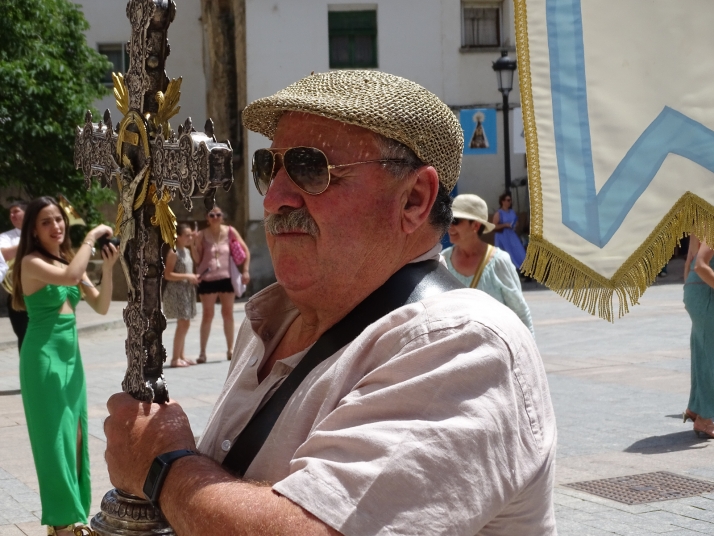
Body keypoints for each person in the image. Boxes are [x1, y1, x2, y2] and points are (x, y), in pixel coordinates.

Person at [104, 70, 556, 535]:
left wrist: (164, 466)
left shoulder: (463, 342)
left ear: (415, 200)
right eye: (270, 168)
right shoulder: (270, 321)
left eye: (310, 168)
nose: (276, 198)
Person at [13, 196, 119, 535]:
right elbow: (73, 276)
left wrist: (108, 269)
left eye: (58, 219)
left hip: (72, 362)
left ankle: (72, 516)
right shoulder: (30, 261)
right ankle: (59, 523)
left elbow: (102, 305)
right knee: (53, 441)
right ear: (33, 229)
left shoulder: (67, 261)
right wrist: (90, 237)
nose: (55, 226)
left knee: (75, 439)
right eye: (46, 221)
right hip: (43, 359)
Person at [442, 194, 535, 336]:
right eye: (448, 220)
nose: (450, 227)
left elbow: (520, 313)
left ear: (476, 225)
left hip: (495, 353)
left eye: (455, 221)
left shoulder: (499, 261)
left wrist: (529, 355)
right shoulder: (442, 260)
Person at [192, 206, 251, 363]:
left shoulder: (230, 231)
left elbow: (246, 251)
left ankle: (230, 349)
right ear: (207, 217)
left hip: (226, 278)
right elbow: (197, 259)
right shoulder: (203, 234)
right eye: (212, 215)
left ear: (222, 216)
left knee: (228, 313)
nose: (215, 217)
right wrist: (193, 244)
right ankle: (203, 352)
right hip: (208, 278)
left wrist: (245, 271)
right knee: (207, 314)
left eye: (218, 214)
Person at [682, 234, 714, 439]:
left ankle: (695, 407)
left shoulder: (701, 223)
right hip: (705, 291)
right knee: (709, 355)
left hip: (699, 290)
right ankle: (704, 418)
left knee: (703, 351)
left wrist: (689, 291)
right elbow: (700, 265)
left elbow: (690, 261)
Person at [163, 223, 199, 368]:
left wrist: (192, 277)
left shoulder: (187, 251)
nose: (190, 237)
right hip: (176, 291)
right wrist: (188, 276)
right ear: (178, 237)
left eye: (191, 235)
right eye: (187, 235)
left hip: (186, 290)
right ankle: (175, 358)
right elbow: (167, 274)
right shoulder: (174, 252)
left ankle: (181, 355)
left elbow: (197, 258)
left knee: (186, 323)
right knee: (182, 323)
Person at [1, 201, 29, 349]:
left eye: (15, 211)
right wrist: (32, 242)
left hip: (42, 291)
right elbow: (3, 255)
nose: (12, 215)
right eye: (10, 213)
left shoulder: (41, 231)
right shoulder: (5, 237)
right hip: (17, 294)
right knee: (24, 337)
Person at [493, 192, 527, 270]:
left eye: (510, 200)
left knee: (519, 250)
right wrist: (505, 225)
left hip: (511, 234)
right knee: (507, 254)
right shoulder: (498, 213)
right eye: (508, 200)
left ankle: (523, 268)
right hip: (502, 236)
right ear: (502, 201)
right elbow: (494, 226)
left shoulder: (512, 211)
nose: (509, 202)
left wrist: (515, 225)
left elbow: (516, 221)